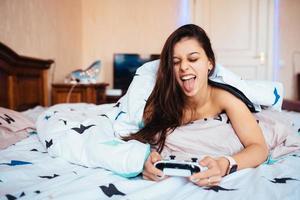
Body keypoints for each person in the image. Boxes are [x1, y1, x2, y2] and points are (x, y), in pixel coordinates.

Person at [123, 24, 268, 187]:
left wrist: (224, 165)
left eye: (193, 59)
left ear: (210, 63)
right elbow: (133, 135)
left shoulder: (226, 99)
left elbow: (259, 148)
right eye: (176, 62)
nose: (184, 67)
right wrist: (144, 161)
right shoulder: (159, 103)